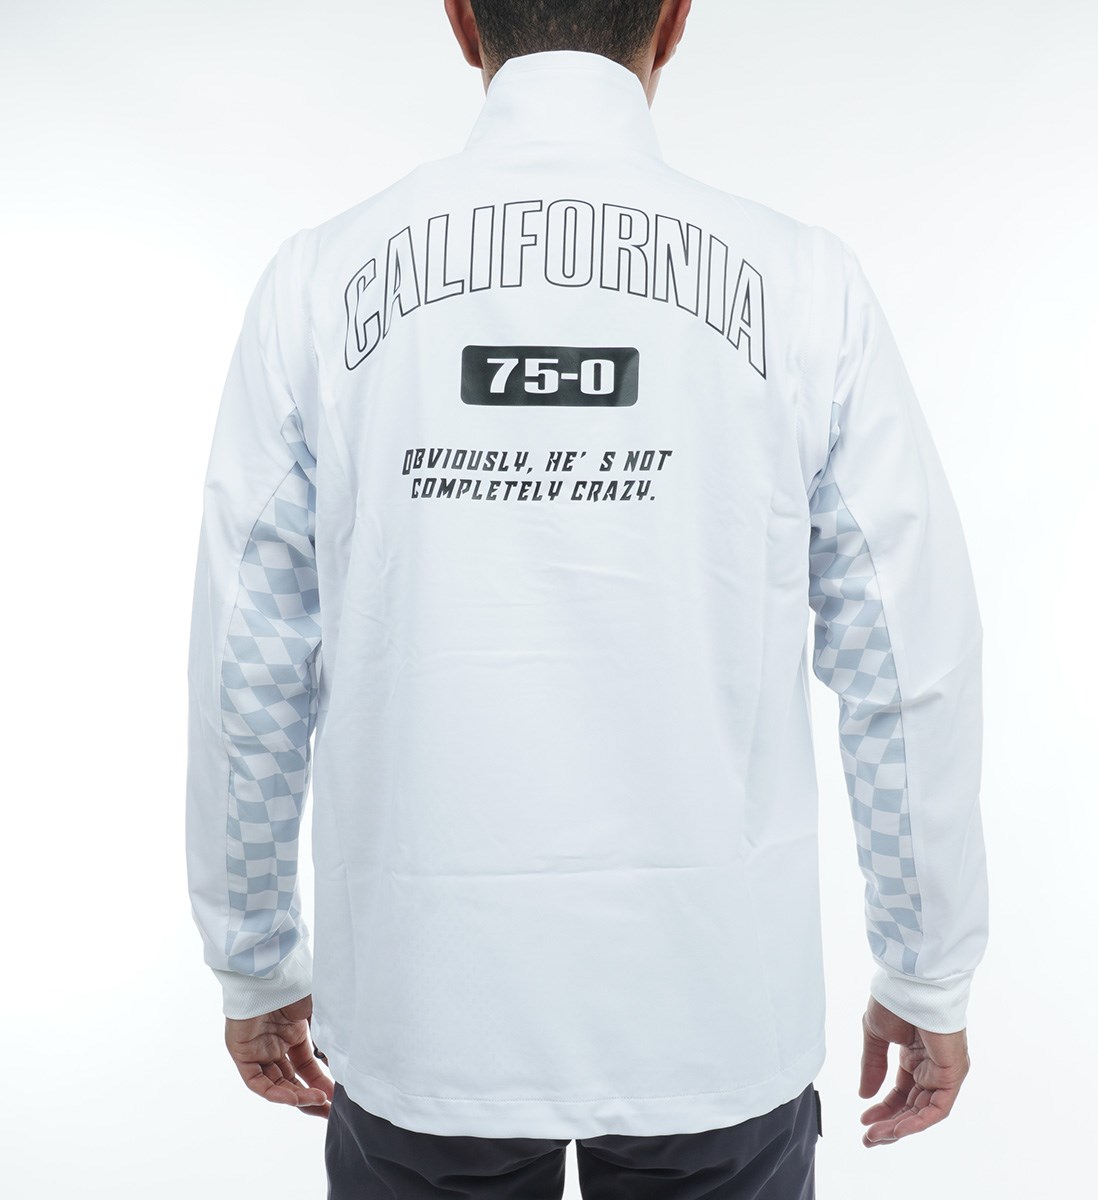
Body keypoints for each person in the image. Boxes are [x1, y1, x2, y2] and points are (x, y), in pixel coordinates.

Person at [184, 1, 989, 1196]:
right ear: (676, 17)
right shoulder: (804, 284)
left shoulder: (319, 281)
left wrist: (252, 958)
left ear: (462, 19)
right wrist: (927, 964)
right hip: (712, 1013)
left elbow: (249, 662)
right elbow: (904, 657)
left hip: (425, 1012)